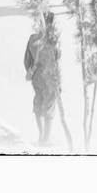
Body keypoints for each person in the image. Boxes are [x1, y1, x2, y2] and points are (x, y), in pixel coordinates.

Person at [24, 12, 62, 146]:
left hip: (37, 77)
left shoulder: (32, 39)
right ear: (51, 24)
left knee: (38, 104)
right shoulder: (54, 41)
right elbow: (57, 60)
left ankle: (41, 136)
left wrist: (33, 72)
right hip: (50, 78)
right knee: (49, 107)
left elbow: (26, 62)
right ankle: (46, 139)